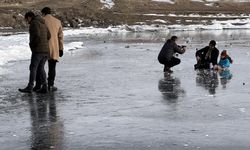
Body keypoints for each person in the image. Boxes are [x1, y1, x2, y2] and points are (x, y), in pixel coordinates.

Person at [19, 11, 51, 93]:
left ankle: (30, 87)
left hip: (38, 50)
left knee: (33, 68)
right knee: (41, 68)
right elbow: (49, 35)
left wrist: (32, 45)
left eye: (26, 20)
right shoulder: (43, 23)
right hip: (46, 50)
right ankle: (45, 86)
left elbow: (37, 35)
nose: (27, 22)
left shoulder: (34, 23)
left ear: (29, 17)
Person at [34, 7, 64, 92]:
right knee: (52, 67)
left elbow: (37, 34)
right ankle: (50, 85)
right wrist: (61, 49)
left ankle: (40, 84)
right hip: (54, 48)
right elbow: (60, 37)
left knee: (40, 67)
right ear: (50, 13)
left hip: (42, 47)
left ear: (43, 13)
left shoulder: (41, 20)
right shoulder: (57, 21)